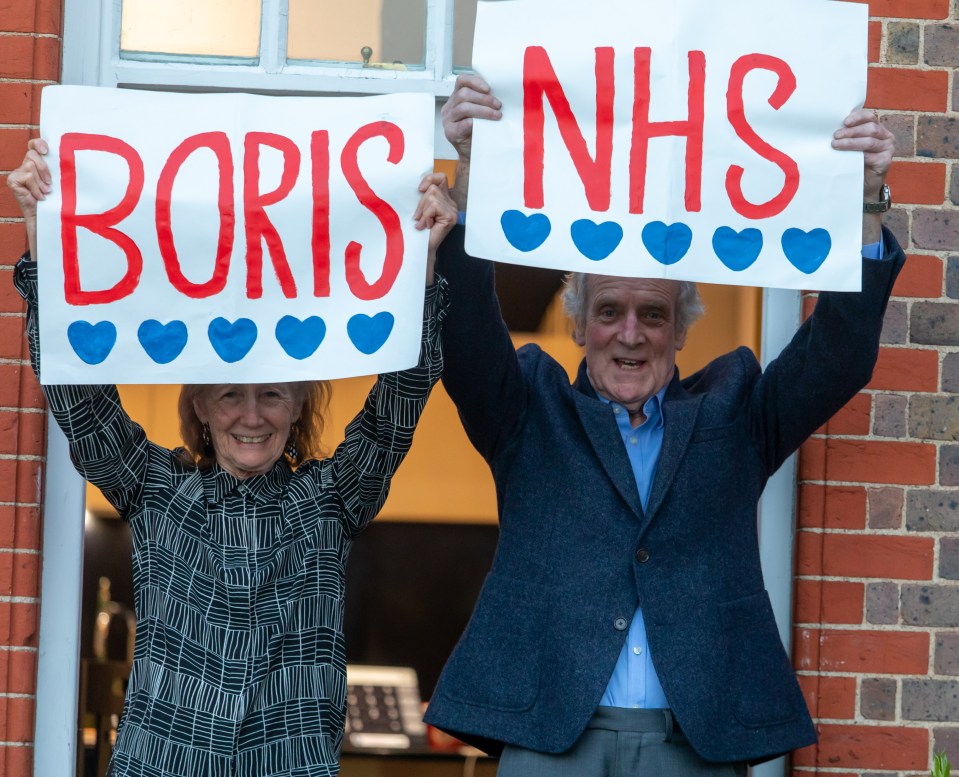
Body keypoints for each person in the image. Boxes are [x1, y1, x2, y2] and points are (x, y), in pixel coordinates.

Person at [422, 74, 903, 776]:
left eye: (653, 314)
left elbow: (836, 356)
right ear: (578, 324)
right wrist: (468, 171)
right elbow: (465, 334)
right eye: (609, 310)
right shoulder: (527, 408)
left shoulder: (735, 413)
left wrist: (863, 201)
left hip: (693, 741)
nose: (630, 333)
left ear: (681, 332)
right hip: (553, 733)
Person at [8, 138, 457, 777]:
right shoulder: (155, 489)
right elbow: (78, 396)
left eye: (272, 394)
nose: (251, 416)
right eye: (230, 395)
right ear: (201, 407)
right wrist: (42, 236)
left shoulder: (331, 500)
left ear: (299, 404)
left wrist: (423, 261)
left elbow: (398, 402)